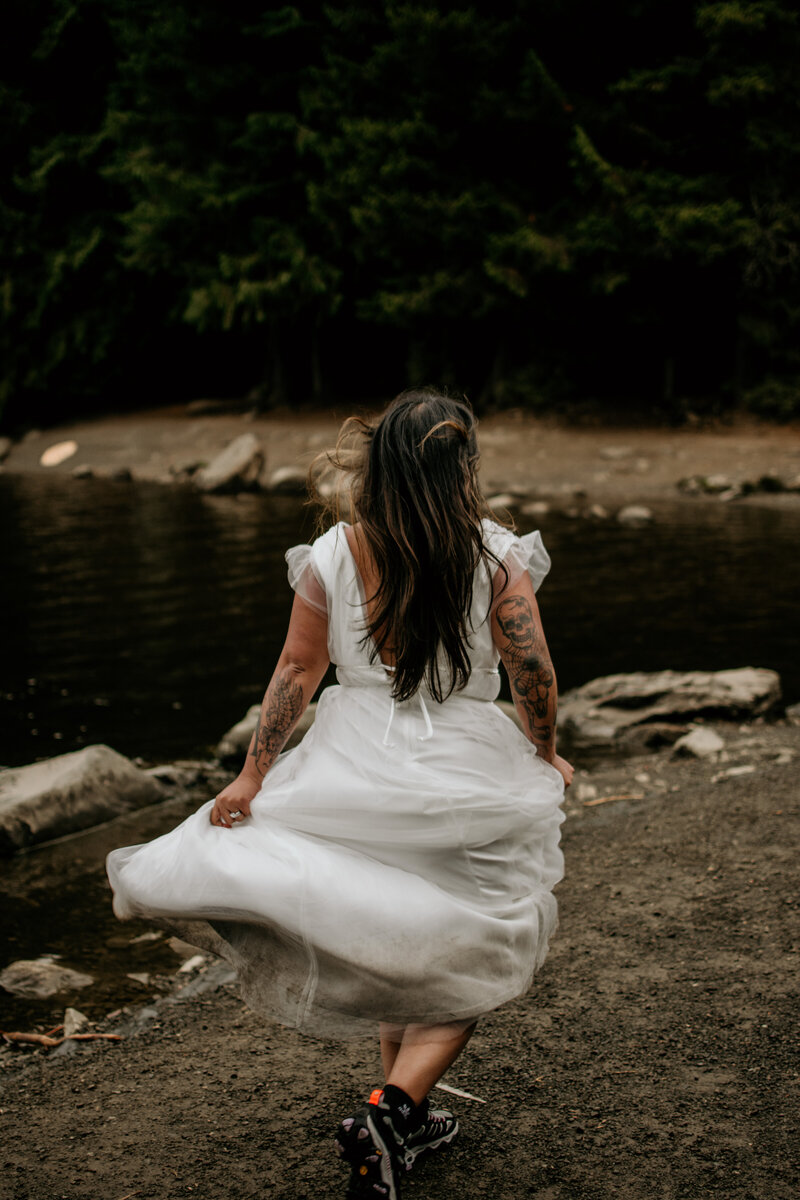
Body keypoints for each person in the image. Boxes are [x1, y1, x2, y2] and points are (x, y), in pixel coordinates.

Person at [107, 388, 573, 1200]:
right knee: (482, 948)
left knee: (400, 936)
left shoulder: (334, 553)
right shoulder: (495, 555)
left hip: (353, 758)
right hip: (463, 764)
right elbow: (531, 669)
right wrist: (546, 750)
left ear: (383, 466)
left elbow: (298, 670)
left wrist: (256, 773)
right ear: (464, 470)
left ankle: (406, 1123)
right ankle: (390, 1115)